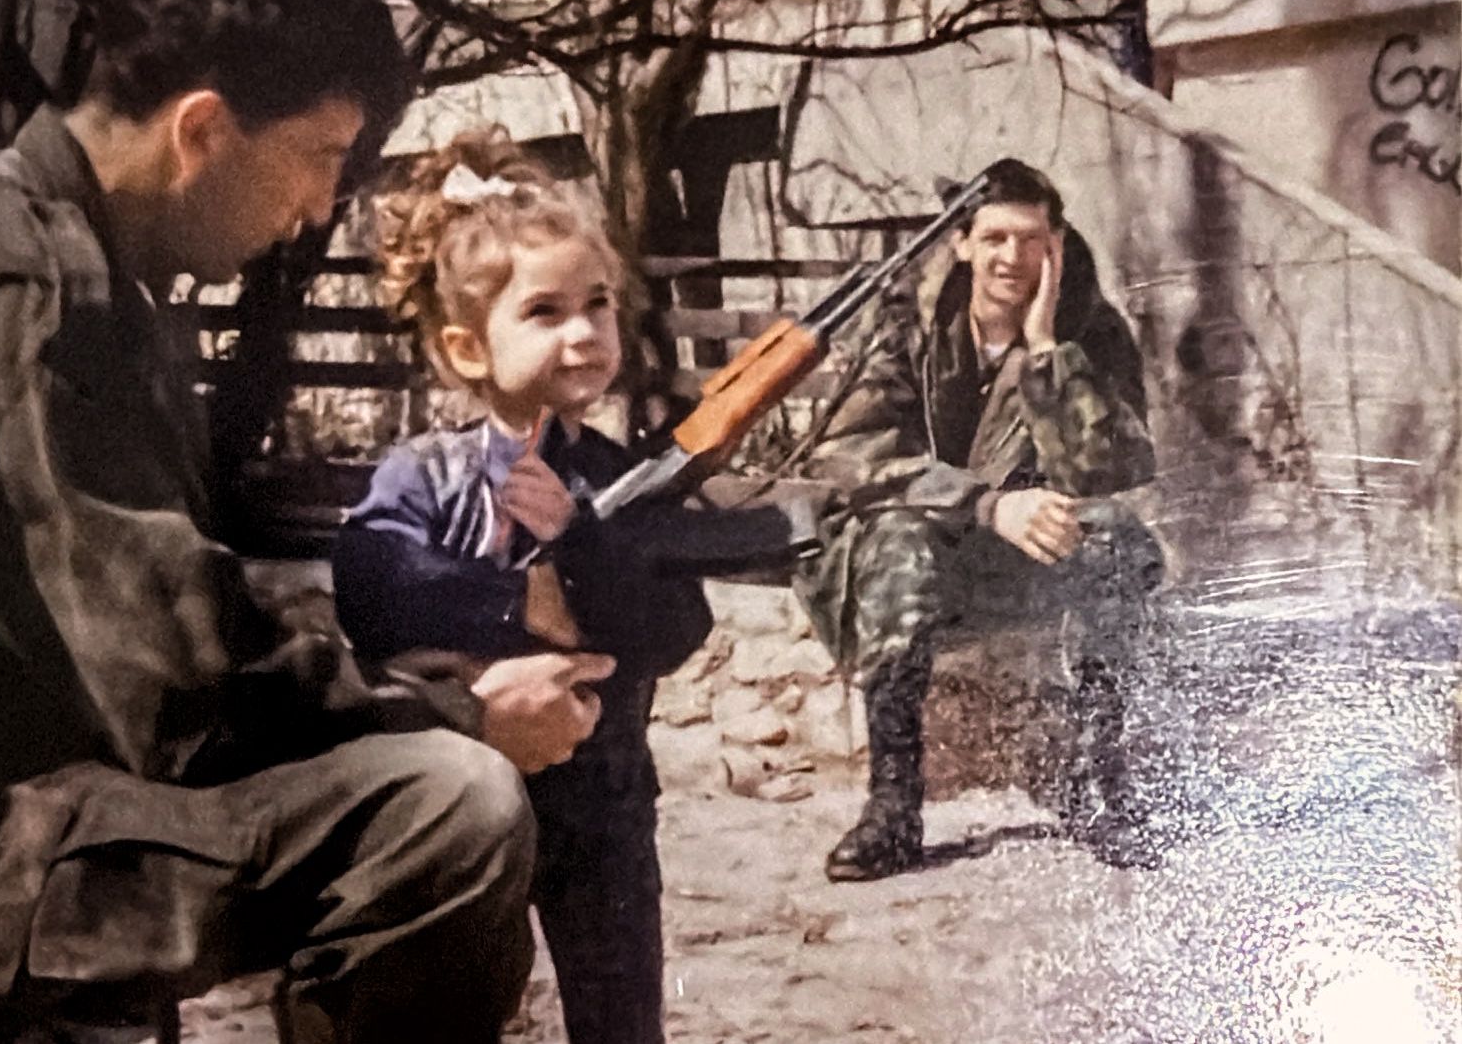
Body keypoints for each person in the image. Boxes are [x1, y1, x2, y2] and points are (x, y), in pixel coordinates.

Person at [0, 0, 614, 1040]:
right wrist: (459, 711)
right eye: (317, 156)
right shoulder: (24, 289)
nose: (314, 207)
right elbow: (175, 694)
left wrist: (380, 686)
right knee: (448, 805)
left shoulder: (30, 237)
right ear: (201, 129)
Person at [331, 128, 715, 1044]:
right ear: (468, 347)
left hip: (606, 797)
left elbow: (674, 622)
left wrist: (581, 542)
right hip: (463, 790)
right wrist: (517, 608)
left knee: (618, 1012)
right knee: (457, 1000)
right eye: (544, 311)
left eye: (599, 304)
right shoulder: (424, 473)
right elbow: (375, 585)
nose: (584, 333)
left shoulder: (625, 479)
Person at [793, 158, 1164, 882]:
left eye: (1031, 239)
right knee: (901, 542)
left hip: (1012, 560)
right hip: (900, 554)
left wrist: (1049, 351)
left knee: (1120, 539)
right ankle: (893, 807)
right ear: (961, 243)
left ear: (1055, 243)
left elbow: (1112, 470)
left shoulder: (1091, 328)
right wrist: (988, 505)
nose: (1012, 257)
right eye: (994, 237)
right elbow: (849, 457)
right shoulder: (907, 323)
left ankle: (1100, 783)